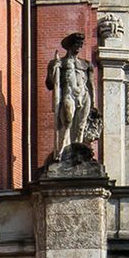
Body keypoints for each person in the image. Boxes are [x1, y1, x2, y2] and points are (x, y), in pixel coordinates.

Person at [45, 32, 95, 163]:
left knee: (80, 126)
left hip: (84, 95)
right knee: (67, 121)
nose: (79, 46)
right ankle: (61, 150)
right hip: (69, 94)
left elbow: (91, 84)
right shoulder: (58, 63)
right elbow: (50, 84)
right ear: (69, 46)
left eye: (80, 44)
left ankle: (77, 152)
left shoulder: (86, 64)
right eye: (76, 43)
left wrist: (94, 103)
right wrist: (53, 71)